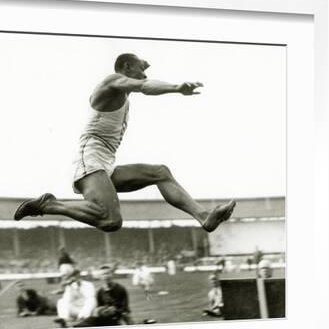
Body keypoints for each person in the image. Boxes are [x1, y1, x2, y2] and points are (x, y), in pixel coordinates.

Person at [14, 53, 236, 233]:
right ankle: (50, 205)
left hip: (106, 162)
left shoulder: (124, 91)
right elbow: (144, 86)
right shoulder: (110, 82)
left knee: (160, 172)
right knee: (111, 220)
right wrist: (176, 88)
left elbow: (141, 81)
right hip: (90, 159)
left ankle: (204, 217)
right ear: (126, 67)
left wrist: (143, 66)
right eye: (140, 69)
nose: (144, 74)